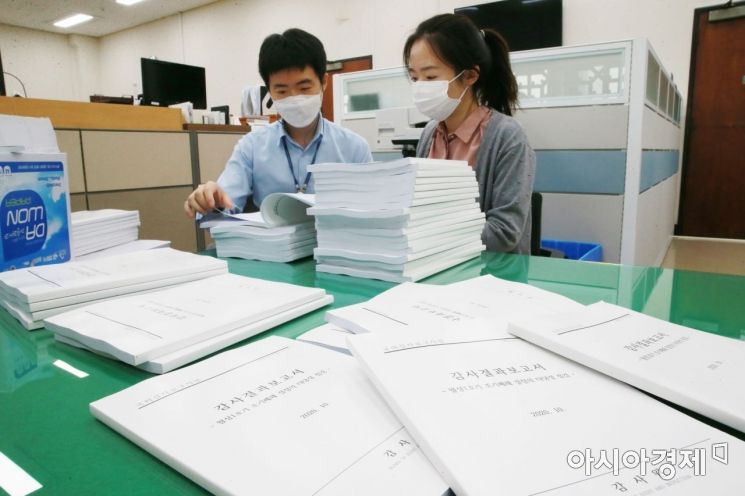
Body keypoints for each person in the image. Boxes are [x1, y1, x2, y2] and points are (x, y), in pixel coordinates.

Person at [184, 28, 372, 217]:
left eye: (304, 87)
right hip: (272, 245)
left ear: (324, 82)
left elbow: (373, 211)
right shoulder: (251, 147)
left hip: (336, 243)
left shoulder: (354, 148)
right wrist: (210, 203)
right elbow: (225, 205)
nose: (295, 98)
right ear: (270, 92)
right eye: (282, 91)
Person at [405, 14, 535, 253]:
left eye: (431, 76)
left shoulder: (507, 137)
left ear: (470, 76)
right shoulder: (429, 134)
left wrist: (428, 228)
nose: (420, 85)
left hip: (490, 277)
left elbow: (504, 233)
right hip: (435, 268)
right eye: (414, 77)